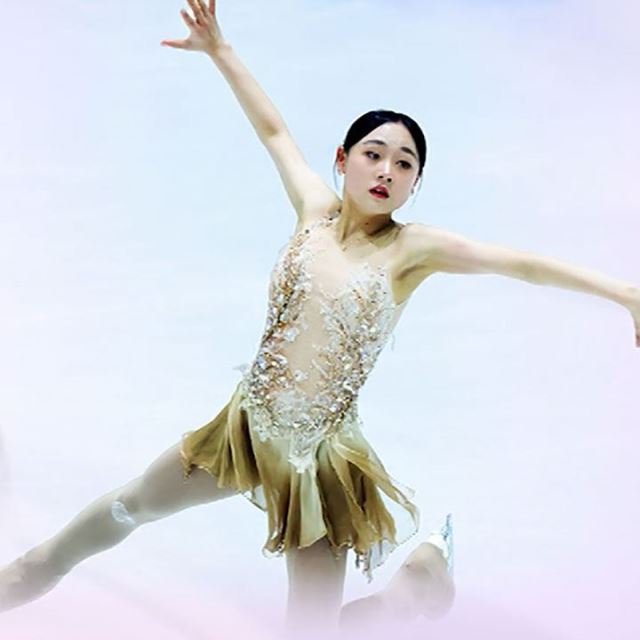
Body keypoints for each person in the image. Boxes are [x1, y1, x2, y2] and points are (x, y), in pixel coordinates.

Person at [2, 1, 639, 637]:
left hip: (319, 466)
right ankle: (32, 570)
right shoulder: (314, 210)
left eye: (405, 163)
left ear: (416, 182)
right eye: (374, 153)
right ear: (343, 158)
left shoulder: (412, 250)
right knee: (130, 505)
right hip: (243, 431)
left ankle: (411, 588)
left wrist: (627, 293)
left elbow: (523, 265)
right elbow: (275, 133)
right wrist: (220, 50)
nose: (386, 170)